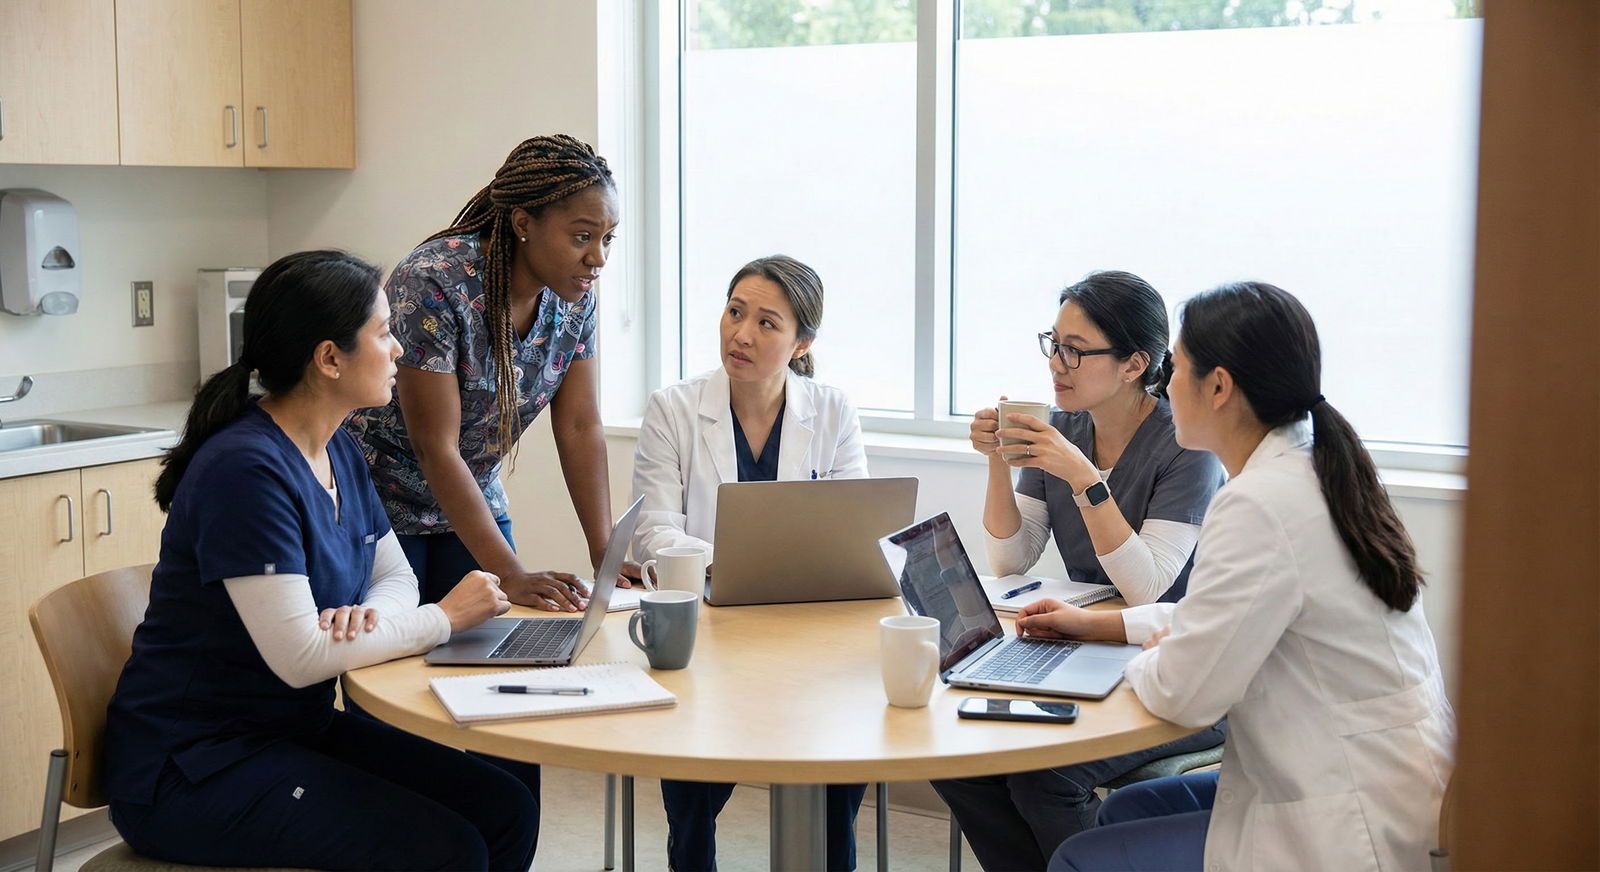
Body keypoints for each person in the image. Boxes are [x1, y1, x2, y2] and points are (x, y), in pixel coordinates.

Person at [102, 251, 536, 871]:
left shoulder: (338, 452)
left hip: (286, 732)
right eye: (384, 333)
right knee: (451, 850)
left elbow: (395, 575)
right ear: (329, 358)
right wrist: (445, 618)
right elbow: (303, 658)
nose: (399, 351)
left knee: (503, 805)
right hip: (194, 769)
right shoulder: (245, 472)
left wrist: (367, 619)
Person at [1036, 281, 1455, 871]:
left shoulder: (1259, 502)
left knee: (1083, 858)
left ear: (1219, 386)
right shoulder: (1311, 467)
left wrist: (1164, 649)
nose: (1162, 384)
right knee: (1121, 814)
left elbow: (1183, 694)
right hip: (1381, 776)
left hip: (1347, 816)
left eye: (1174, 368)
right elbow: (1232, 613)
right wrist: (1107, 627)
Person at [931, 270, 1228, 871]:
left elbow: (1147, 586)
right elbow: (1013, 559)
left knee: (1043, 778)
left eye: (1075, 350)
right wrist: (997, 461)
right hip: (1091, 644)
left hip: (1190, 666)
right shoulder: (1061, 428)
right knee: (960, 761)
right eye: (1053, 343)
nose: (1056, 364)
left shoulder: (1185, 444)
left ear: (1133, 364)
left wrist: (1084, 477)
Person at [631, 255, 867, 872]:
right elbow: (654, 531)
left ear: (802, 342)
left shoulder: (833, 410)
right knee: (692, 770)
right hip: (710, 627)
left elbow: (856, 528)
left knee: (839, 762)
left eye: (767, 323)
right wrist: (740, 564)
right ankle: (692, 855)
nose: (741, 334)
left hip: (808, 631)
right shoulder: (673, 409)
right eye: (735, 312)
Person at [345, 133, 634, 616]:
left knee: (488, 659)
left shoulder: (574, 297)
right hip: (381, 507)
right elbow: (434, 446)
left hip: (473, 498)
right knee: (390, 662)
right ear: (524, 223)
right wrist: (512, 573)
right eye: (582, 236)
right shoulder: (435, 279)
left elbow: (581, 425)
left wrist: (605, 551)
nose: (598, 257)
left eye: (607, 238)